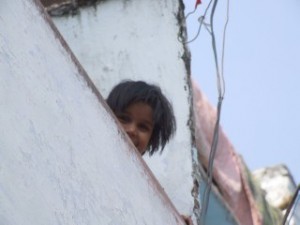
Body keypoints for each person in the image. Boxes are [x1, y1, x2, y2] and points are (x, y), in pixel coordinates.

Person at [106, 80, 193, 225]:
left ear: (151, 141)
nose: (132, 130)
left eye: (143, 127)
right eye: (124, 119)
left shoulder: (143, 190)